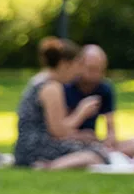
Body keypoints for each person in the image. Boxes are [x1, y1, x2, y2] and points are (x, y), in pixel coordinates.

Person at [14, 37, 106, 170]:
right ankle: (49, 166)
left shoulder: (39, 81)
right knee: (96, 154)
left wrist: (80, 136)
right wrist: (81, 112)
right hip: (35, 150)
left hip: (27, 147)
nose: (78, 72)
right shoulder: (51, 87)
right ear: (64, 64)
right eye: (77, 65)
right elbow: (59, 131)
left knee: (94, 148)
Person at [63, 44, 134, 158]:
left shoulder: (104, 89)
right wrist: (80, 126)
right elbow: (57, 130)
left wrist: (110, 139)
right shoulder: (66, 87)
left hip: (93, 142)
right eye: (91, 69)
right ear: (79, 65)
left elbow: (111, 126)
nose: (96, 75)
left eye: (100, 70)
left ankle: (105, 155)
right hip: (68, 141)